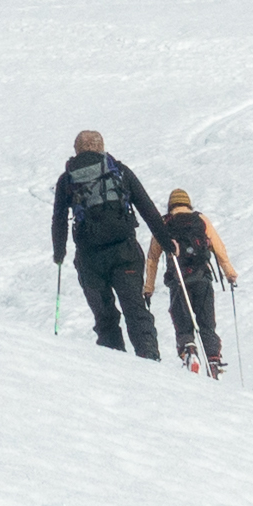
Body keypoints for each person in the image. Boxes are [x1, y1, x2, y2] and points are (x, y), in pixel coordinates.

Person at [51, 129, 171, 360]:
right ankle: (149, 359)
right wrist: (166, 243)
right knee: (135, 309)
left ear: (76, 149)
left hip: (89, 257)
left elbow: (59, 220)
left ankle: (114, 365)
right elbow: (147, 207)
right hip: (124, 251)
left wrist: (59, 253)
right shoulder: (119, 170)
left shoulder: (67, 178)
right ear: (101, 146)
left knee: (104, 316)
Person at [143, 188, 239, 376]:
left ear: (171, 204)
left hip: (178, 280)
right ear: (188, 203)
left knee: (183, 322)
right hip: (202, 277)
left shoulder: (164, 223)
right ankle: (213, 360)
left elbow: (152, 258)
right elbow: (218, 247)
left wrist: (149, 288)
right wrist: (230, 273)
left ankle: (189, 351)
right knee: (207, 322)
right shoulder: (201, 220)